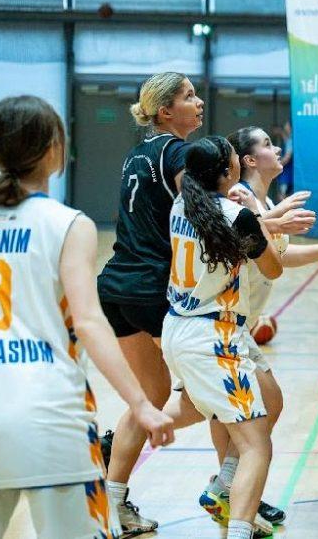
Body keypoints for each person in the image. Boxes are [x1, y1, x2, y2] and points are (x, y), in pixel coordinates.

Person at [0, 95, 174, 539]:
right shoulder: (68, 224)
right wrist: (140, 404)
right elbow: (89, 323)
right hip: (52, 416)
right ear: (54, 151)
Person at [183, 126, 318, 532]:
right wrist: (275, 221)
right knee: (218, 415)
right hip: (215, 324)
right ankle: (230, 490)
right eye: (266, 144)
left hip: (234, 325)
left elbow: (277, 252)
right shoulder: (238, 198)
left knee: (261, 405)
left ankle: (230, 486)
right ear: (246, 160)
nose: (277, 148)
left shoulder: (263, 201)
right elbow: (253, 239)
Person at [159, 136, 285, 539]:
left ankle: (224, 485)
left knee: (267, 400)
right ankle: (239, 524)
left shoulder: (181, 204)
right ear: (230, 172)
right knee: (256, 445)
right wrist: (257, 216)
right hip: (213, 336)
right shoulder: (236, 215)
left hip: (180, 325)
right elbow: (273, 268)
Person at [96, 71, 204, 534]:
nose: (199, 102)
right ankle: (232, 490)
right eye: (189, 96)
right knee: (216, 393)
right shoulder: (178, 153)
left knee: (151, 396)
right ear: (165, 111)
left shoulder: (136, 154)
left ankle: (113, 501)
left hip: (116, 286)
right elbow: (201, 214)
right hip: (151, 289)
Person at [275, 122, 293, 203]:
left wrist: (275, 166)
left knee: (283, 196)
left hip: (287, 175)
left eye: (287, 124)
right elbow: (285, 138)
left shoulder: (291, 140)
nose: (285, 126)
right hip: (284, 175)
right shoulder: (288, 139)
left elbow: (287, 158)